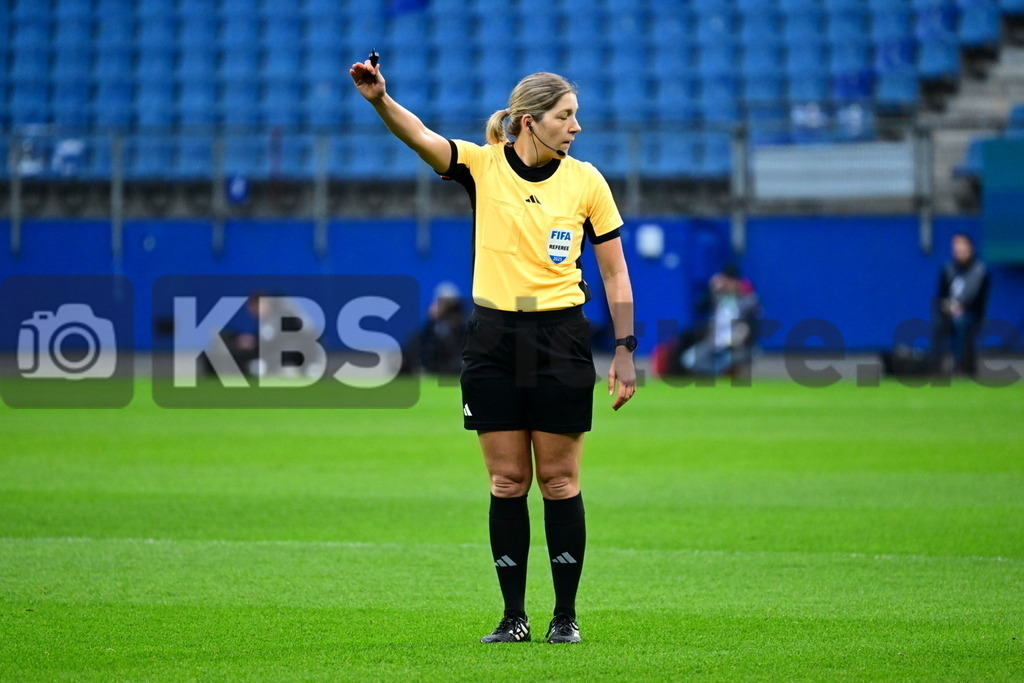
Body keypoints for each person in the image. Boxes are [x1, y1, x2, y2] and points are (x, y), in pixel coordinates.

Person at [350, 58, 637, 644]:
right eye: (565, 116)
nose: (576, 126)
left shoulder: (587, 182)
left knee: (558, 481)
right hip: (492, 340)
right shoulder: (482, 165)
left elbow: (615, 275)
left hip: (559, 337)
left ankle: (565, 617)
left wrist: (625, 347)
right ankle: (513, 618)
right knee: (507, 481)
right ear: (530, 121)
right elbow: (422, 137)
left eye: (575, 116)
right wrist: (380, 100)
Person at [931, 233, 990, 376]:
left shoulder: (980, 271)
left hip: (971, 315)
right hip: (950, 312)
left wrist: (961, 308)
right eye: (956, 246)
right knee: (938, 323)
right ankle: (936, 366)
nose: (959, 250)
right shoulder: (948, 269)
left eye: (962, 246)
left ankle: (960, 365)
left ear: (970, 248)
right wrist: (947, 307)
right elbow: (941, 296)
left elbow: (978, 301)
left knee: (960, 323)